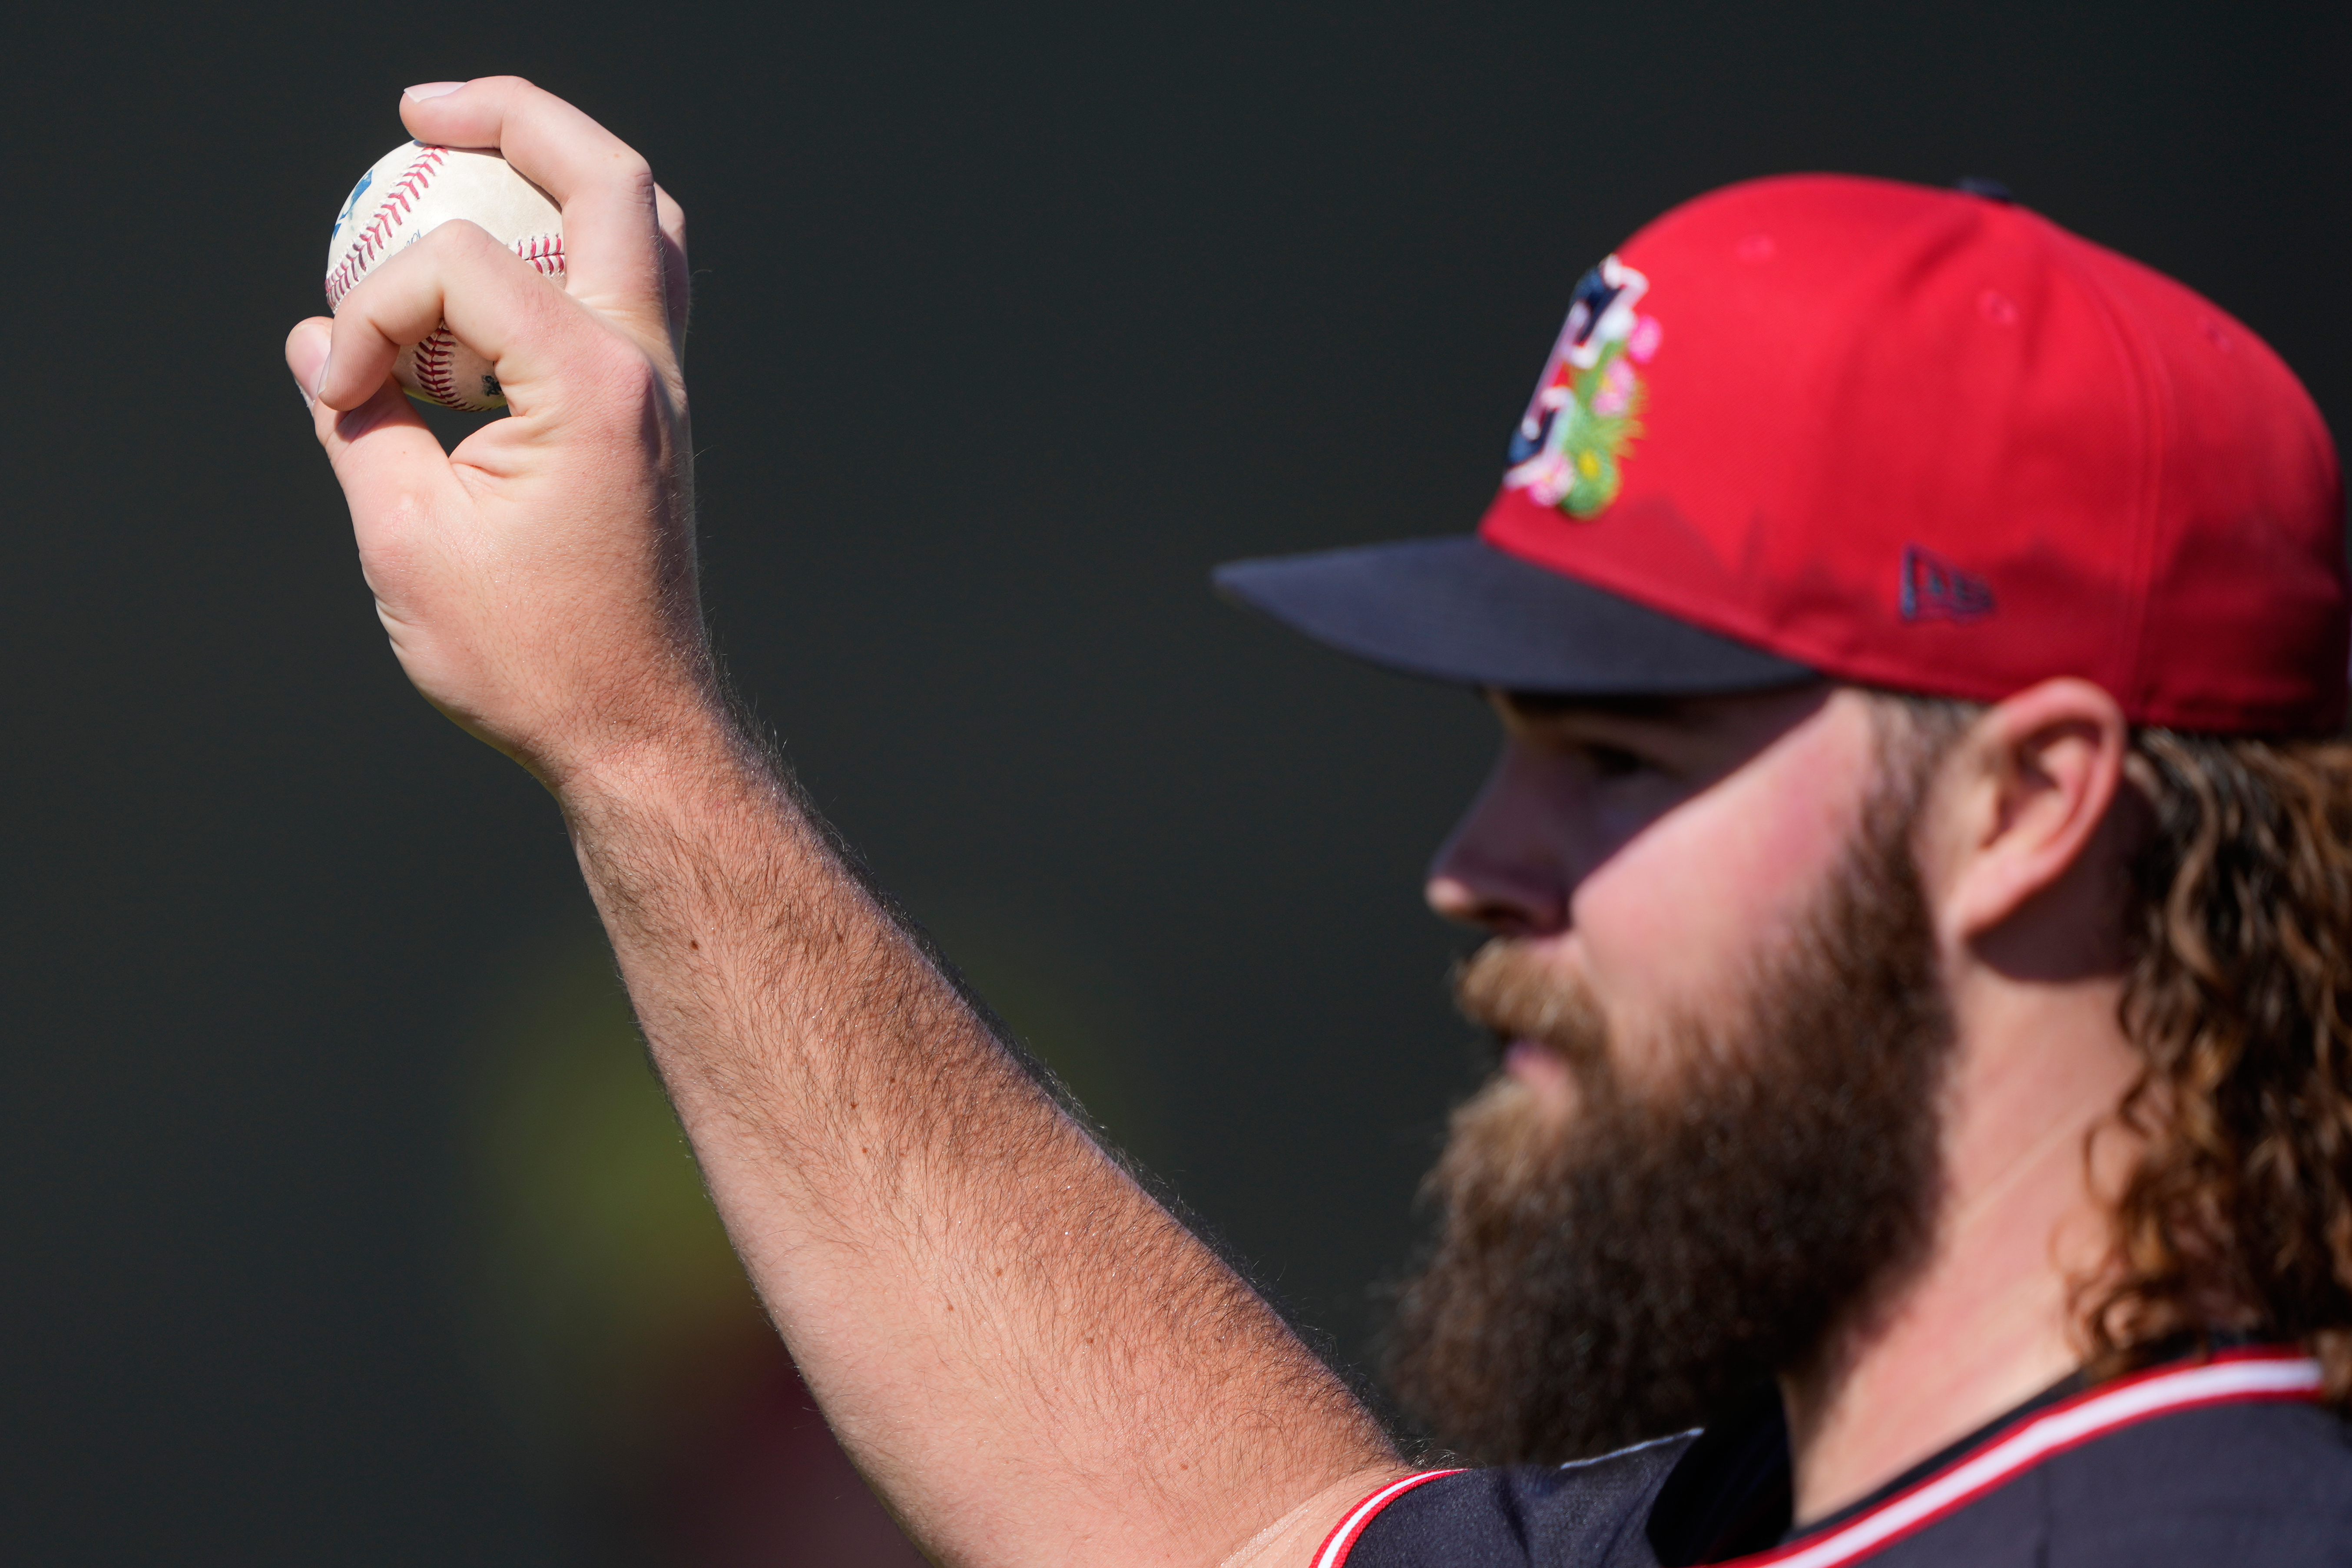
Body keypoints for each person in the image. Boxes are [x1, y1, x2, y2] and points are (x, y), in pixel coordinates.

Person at [288, 78, 2352, 1567]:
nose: (1479, 859)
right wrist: (629, 728)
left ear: (2029, 803)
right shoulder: (1746, 1511)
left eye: (1620, 759)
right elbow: (1223, 1533)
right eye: (1515, 740)